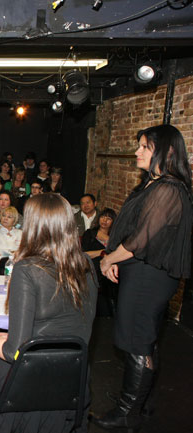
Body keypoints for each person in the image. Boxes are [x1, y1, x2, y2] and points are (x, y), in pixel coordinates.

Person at [0, 193, 98, 433]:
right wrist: (16, 337)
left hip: (29, 381)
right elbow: (67, 325)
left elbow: (13, 352)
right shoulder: (86, 264)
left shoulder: (28, 269)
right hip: (73, 376)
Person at [92, 125, 192, 431]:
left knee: (138, 341)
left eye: (144, 146)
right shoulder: (154, 184)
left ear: (167, 151)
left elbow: (139, 240)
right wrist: (115, 257)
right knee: (143, 339)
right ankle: (138, 400)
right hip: (142, 272)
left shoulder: (168, 189)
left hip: (149, 278)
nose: (137, 151)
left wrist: (108, 258)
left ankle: (127, 411)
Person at [81, 208, 118, 317]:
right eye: (102, 217)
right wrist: (102, 252)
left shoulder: (115, 238)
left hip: (108, 270)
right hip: (91, 266)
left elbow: (117, 253)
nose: (104, 220)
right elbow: (84, 254)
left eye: (109, 218)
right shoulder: (90, 233)